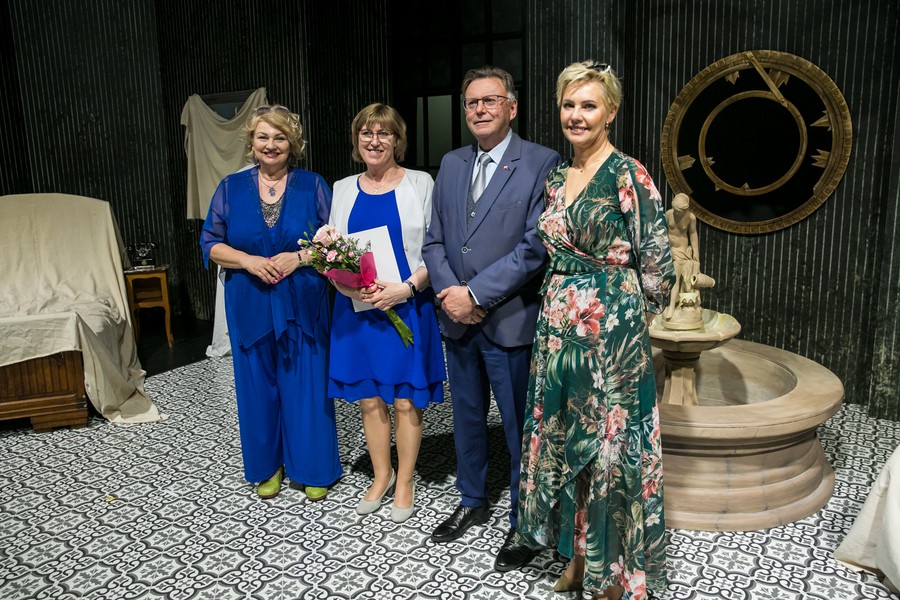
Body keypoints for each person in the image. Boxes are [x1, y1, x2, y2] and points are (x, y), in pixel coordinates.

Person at [515, 61, 675, 600]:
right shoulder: (557, 176)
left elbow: (657, 262)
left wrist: (632, 325)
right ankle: (580, 557)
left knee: (610, 448)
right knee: (567, 440)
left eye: (589, 105)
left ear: (611, 112)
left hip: (611, 331)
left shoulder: (629, 174)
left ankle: (615, 572)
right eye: (569, 105)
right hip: (559, 327)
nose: (576, 115)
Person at [422, 66, 560, 571]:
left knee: (521, 430)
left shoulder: (541, 162)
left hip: (509, 322)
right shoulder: (452, 163)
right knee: (466, 419)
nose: (479, 109)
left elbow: (536, 246)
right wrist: (452, 297)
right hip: (458, 321)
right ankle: (472, 498)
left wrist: (477, 294)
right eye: (472, 102)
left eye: (490, 100)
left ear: (511, 107)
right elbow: (435, 240)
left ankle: (526, 523)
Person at [200, 104, 342, 501]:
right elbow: (210, 243)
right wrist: (247, 261)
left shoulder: (313, 185)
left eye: (280, 137)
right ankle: (269, 466)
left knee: (307, 384)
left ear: (292, 143)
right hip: (250, 302)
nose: (271, 144)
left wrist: (299, 258)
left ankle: (313, 467)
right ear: (251, 142)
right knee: (257, 387)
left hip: (303, 302)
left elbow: (336, 241)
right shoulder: (229, 188)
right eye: (263, 136)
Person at [328, 103, 446, 523]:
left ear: (398, 140)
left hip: (408, 304)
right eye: (366, 133)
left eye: (384, 133)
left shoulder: (420, 183)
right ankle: (382, 475)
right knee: (369, 398)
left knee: (405, 400)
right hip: (358, 310)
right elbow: (333, 251)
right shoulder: (342, 188)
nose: (374, 141)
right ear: (356, 139)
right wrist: (342, 284)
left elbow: (436, 247)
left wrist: (406, 288)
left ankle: (406, 479)